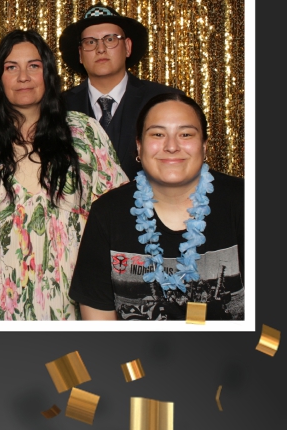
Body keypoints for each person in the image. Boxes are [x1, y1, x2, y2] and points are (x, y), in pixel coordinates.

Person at [0, 29, 126, 321]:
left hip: (78, 303)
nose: (23, 77)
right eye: (11, 67)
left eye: (33, 66)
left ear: (47, 74)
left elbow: (117, 215)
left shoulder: (85, 132)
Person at [72, 92, 244, 320]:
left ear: (204, 145)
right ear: (139, 146)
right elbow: (99, 326)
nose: (171, 146)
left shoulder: (246, 202)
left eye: (185, 134)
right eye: (158, 134)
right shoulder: (107, 213)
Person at [60, 3, 175, 184]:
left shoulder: (164, 101)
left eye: (110, 39)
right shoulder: (59, 107)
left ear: (127, 46)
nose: (100, 49)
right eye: (90, 42)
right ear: (80, 54)